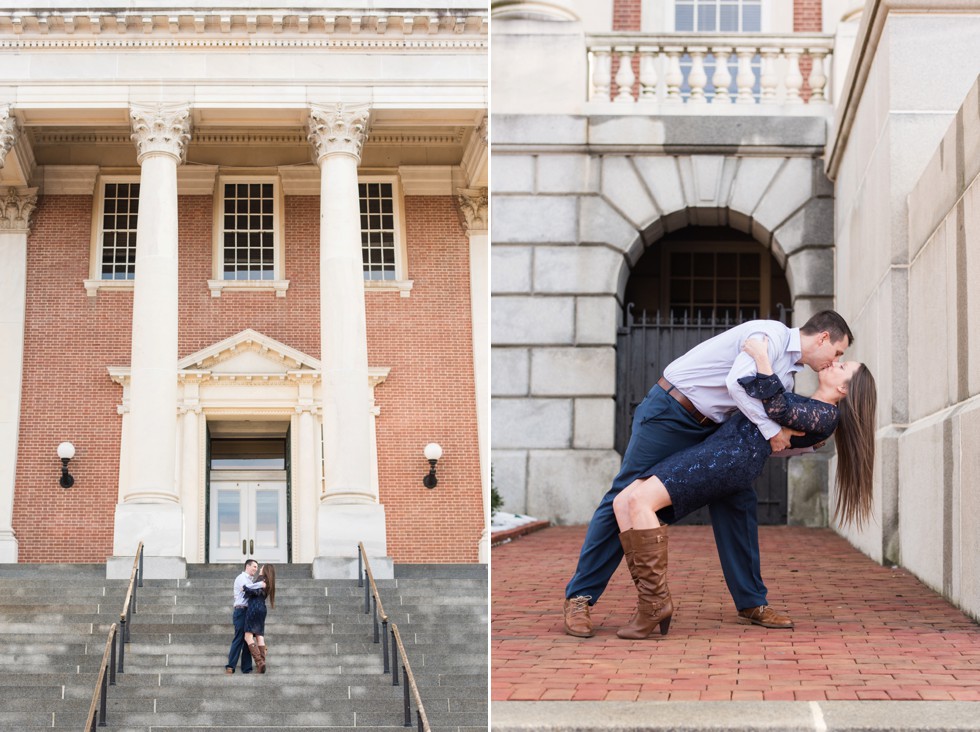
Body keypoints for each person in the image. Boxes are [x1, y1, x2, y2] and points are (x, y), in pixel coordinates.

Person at [563, 311, 854, 638]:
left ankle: (751, 602)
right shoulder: (768, 336)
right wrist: (772, 429)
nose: (834, 360)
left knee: (739, 500)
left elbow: (772, 419)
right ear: (823, 338)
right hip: (672, 413)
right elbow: (737, 386)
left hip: (715, 429)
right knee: (623, 497)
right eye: (838, 353)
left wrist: (804, 443)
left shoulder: (787, 376)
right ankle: (581, 597)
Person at [225, 559, 260, 674]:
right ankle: (230, 666)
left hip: (248, 612)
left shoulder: (249, 580)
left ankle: (247, 668)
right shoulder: (241, 578)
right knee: (239, 637)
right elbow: (250, 590)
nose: (256, 569)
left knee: (247, 639)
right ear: (247, 566)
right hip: (240, 611)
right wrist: (261, 583)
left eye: (257, 567)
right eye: (254, 566)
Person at [244, 563, 276, 674]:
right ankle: (262, 662)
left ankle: (259, 662)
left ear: (265, 570)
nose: (260, 569)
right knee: (259, 636)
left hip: (254, 608)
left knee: (248, 636)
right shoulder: (270, 582)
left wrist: (245, 588)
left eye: (261, 567)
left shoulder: (261, 580)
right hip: (262, 609)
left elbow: (254, 591)